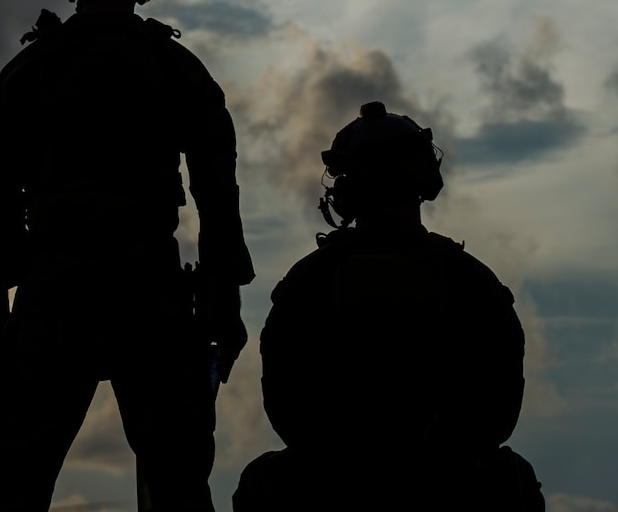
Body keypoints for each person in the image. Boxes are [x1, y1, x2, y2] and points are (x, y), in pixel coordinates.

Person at [0, 0, 255, 511]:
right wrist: (223, 302)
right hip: (148, 291)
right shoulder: (176, 67)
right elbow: (217, 196)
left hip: (53, 292)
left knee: (17, 485)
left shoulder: (29, 71)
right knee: (180, 484)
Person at [233, 102, 543, 512]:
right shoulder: (471, 279)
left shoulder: (309, 280)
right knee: (511, 479)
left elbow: (286, 408)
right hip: (451, 483)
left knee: (263, 481)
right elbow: (500, 412)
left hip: (335, 484)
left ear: (350, 185)